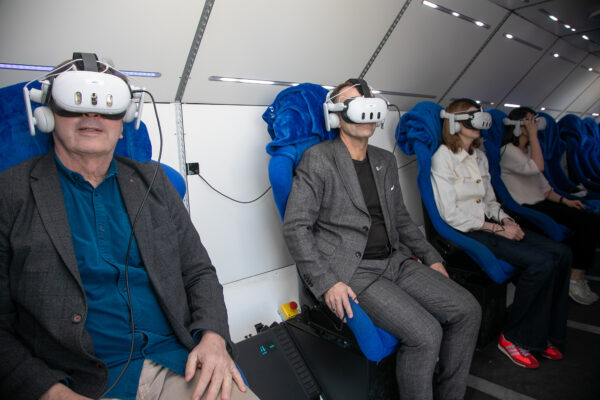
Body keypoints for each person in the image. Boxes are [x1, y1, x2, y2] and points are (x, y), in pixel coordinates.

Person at [0, 55, 257, 400]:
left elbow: (199, 272)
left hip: (176, 363)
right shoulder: (10, 194)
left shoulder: (155, 182)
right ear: (47, 114)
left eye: (107, 105)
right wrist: (49, 391)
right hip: (77, 381)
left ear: (124, 121)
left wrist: (213, 337)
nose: (92, 116)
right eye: (76, 102)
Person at [283, 79, 481, 400]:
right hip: (354, 271)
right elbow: (296, 228)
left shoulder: (384, 160)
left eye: (369, 103)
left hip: (396, 262)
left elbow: (401, 218)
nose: (366, 112)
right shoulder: (318, 159)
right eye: (355, 104)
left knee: (468, 309)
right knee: (426, 334)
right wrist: (327, 283)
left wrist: (431, 257)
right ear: (335, 115)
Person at [431, 98, 571, 369]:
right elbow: (450, 214)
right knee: (541, 263)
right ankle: (513, 336)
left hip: (491, 223)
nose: (479, 123)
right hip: (468, 230)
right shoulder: (443, 158)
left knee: (561, 253)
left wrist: (507, 221)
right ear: (455, 122)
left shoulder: (480, 156)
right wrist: (496, 228)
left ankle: (543, 334)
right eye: (472, 118)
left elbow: (490, 201)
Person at [500, 107, 600, 305]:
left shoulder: (529, 151)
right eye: (530, 121)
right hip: (527, 208)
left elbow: (544, 187)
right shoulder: (508, 151)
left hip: (542, 202)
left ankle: (575, 273)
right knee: (587, 222)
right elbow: (537, 168)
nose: (535, 125)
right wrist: (534, 136)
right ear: (519, 126)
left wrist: (565, 201)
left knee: (587, 216)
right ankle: (575, 278)